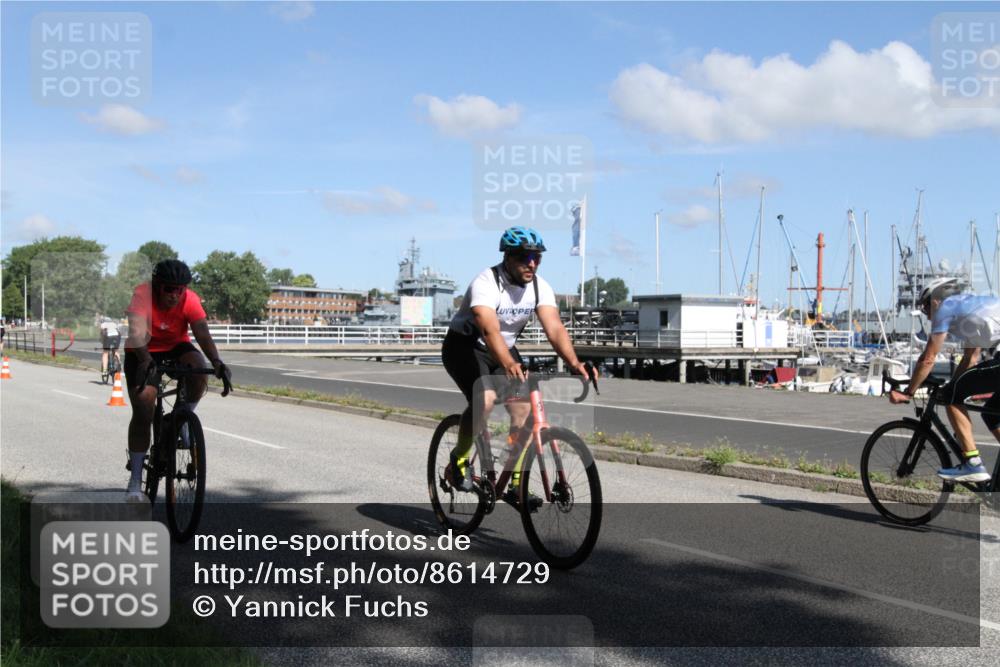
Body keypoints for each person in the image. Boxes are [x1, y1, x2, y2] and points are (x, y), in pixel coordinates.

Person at [442, 226, 593, 507]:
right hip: (465, 346)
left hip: (503, 347)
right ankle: (460, 460)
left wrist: (575, 363)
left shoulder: (539, 287)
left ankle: (514, 481)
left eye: (537, 257)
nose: (532, 263)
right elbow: (488, 330)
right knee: (484, 399)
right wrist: (509, 363)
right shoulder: (486, 283)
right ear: (508, 257)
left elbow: (555, 328)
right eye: (525, 257)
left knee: (523, 410)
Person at [123, 259, 231, 502]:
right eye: (169, 289)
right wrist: (146, 361)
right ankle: (135, 483)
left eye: (179, 289)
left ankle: (181, 417)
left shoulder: (190, 299)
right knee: (144, 404)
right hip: (142, 349)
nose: (174, 295)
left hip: (174, 346)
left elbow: (202, 331)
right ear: (157, 285)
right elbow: (137, 333)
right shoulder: (142, 294)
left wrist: (216, 361)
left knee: (198, 368)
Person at [889, 277, 1000, 482]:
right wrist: (952, 385)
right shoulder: (969, 309)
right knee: (992, 416)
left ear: (936, 301)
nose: (928, 315)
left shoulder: (946, 308)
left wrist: (908, 392)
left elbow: (929, 358)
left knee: (952, 396)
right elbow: (970, 358)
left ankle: (973, 464)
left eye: (925, 307)